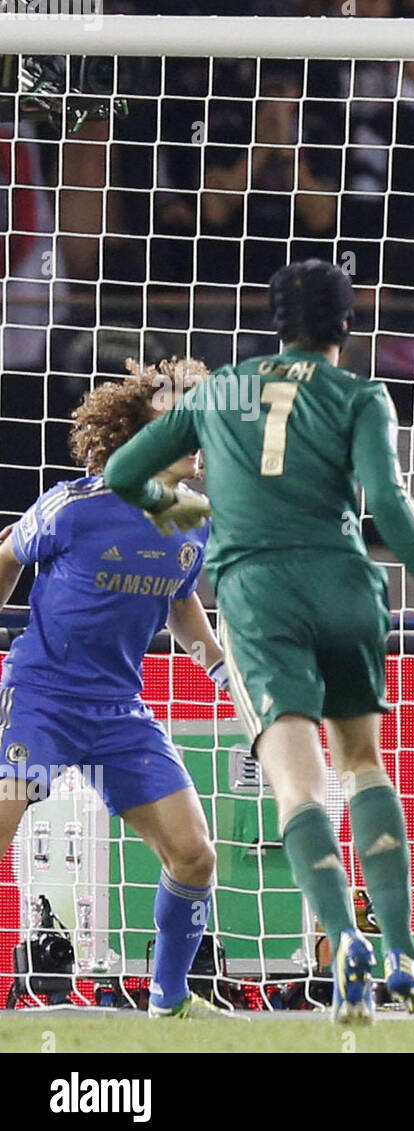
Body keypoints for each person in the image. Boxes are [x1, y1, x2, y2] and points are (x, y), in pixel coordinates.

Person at [104, 260, 414, 1025]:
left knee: (297, 788)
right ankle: (404, 955)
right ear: (346, 326)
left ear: (276, 323)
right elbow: (389, 499)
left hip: (258, 598)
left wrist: (192, 513)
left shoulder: (215, 394)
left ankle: (342, 940)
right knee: (366, 766)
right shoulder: (360, 395)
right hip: (344, 584)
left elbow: (121, 474)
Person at [0, 358, 229, 1018]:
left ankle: (170, 1002)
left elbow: (182, 602)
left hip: (119, 711)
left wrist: (214, 665)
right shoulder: (76, 507)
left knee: (193, 855)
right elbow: (10, 552)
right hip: (42, 698)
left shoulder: (193, 518)